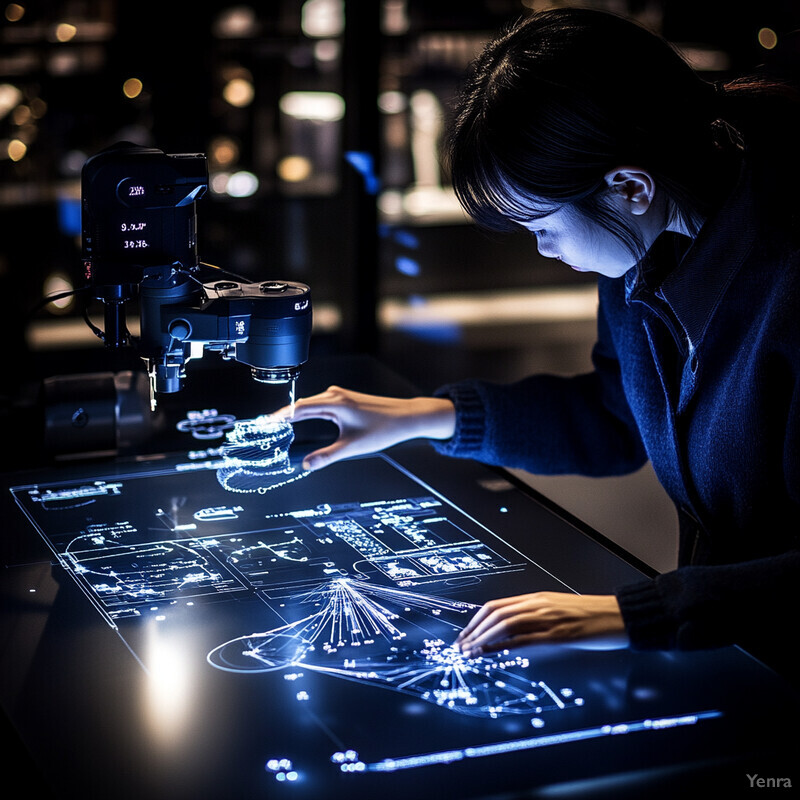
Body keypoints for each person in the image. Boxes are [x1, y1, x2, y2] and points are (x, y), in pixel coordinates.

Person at [279, 7, 800, 682]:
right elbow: (617, 418)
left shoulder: (786, 281)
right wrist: (418, 418)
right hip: (736, 654)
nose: (542, 247)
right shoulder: (642, 249)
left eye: (540, 223)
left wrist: (635, 613)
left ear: (629, 187)